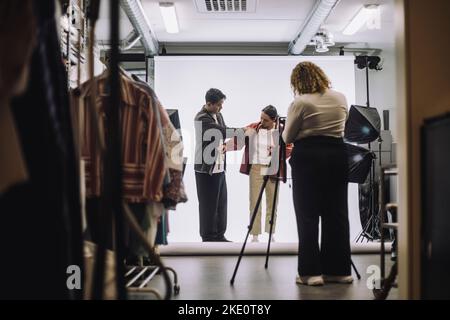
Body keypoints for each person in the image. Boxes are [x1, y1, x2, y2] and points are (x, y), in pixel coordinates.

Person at [283, 61, 353, 286]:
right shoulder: (340, 98)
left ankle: (310, 273)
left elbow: (288, 137)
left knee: (308, 216)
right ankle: (339, 271)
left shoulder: (300, 102)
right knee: (337, 214)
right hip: (338, 155)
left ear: (297, 82)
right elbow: (343, 126)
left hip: (309, 158)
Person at [227, 105, 292, 242]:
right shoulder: (254, 127)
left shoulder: (281, 129)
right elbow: (238, 140)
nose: (262, 122)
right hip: (255, 167)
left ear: (273, 120)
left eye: (266, 120)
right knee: (254, 202)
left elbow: (289, 147)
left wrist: (275, 152)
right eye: (261, 118)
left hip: (272, 168)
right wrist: (224, 147)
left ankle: (270, 234)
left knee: (272, 201)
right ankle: (254, 235)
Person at [194, 88, 245, 242]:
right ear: (209, 104)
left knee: (221, 203)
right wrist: (243, 131)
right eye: (219, 104)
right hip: (205, 169)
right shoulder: (201, 118)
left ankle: (219, 235)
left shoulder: (218, 114)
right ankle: (208, 237)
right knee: (207, 205)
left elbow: (223, 132)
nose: (221, 107)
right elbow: (221, 132)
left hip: (219, 166)